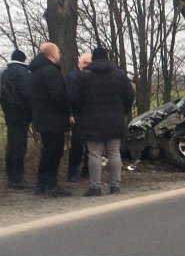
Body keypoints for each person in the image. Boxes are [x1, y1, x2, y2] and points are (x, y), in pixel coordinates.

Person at [71, 47, 134, 196]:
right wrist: (123, 111)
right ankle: (115, 186)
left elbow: (75, 98)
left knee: (94, 154)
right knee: (114, 153)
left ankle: (95, 187)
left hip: (91, 121)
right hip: (115, 120)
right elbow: (130, 95)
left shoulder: (84, 76)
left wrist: (81, 113)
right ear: (107, 58)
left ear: (93, 58)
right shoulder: (120, 75)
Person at [29, 42, 71, 197]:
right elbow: (58, 96)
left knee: (47, 151)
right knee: (54, 152)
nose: (59, 54)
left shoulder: (36, 71)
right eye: (58, 51)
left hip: (41, 117)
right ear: (53, 54)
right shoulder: (51, 71)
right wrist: (67, 110)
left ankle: (41, 184)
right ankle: (51, 184)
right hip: (54, 118)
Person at [1, 49, 32, 189]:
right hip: (21, 113)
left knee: (12, 144)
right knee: (19, 146)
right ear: (23, 59)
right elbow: (27, 94)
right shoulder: (22, 72)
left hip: (9, 113)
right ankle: (18, 178)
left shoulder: (5, 73)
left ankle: (10, 175)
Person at [64, 53, 92, 182]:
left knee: (91, 146)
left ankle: (87, 171)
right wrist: (70, 113)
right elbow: (67, 97)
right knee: (77, 146)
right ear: (79, 63)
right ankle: (73, 172)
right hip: (77, 116)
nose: (87, 65)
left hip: (91, 115)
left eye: (89, 63)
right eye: (84, 63)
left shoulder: (93, 77)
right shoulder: (71, 77)